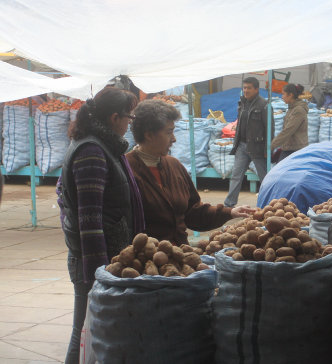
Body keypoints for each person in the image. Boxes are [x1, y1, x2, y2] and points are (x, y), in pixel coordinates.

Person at [56, 87, 145, 364]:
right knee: (84, 331)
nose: (130, 124)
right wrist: (99, 273)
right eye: (129, 118)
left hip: (108, 257)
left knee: (95, 330)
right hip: (95, 260)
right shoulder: (92, 152)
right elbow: (89, 218)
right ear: (114, 117)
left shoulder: (105, 146)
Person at [127, 99, 255, 244]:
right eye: (169, 133)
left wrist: (230, 212)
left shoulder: (174, 165)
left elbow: (193, 213)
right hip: (146, 260)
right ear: (149, 135)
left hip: (181, 256)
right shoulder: (127, 170)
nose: (174, 139)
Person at [224, 77, 274, 207]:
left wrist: (267, 150)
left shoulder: (264, 105)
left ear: (256, 89)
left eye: (249, 88)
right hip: (241, 145)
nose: (246, 91)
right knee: (236, 176)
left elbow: (270, 128)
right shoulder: (242, 103)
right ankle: (229, 205)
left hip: (257, 147)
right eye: (244, 88)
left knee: (264, 178)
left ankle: (267, 205)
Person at [271, 83, 309, 162]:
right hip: (289, 148)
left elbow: (288, 130)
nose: (282, 97)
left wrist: (272, 145)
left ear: (290, 95)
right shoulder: (291, 109)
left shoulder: (298, 110)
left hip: (296, 149)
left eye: (283, 94)